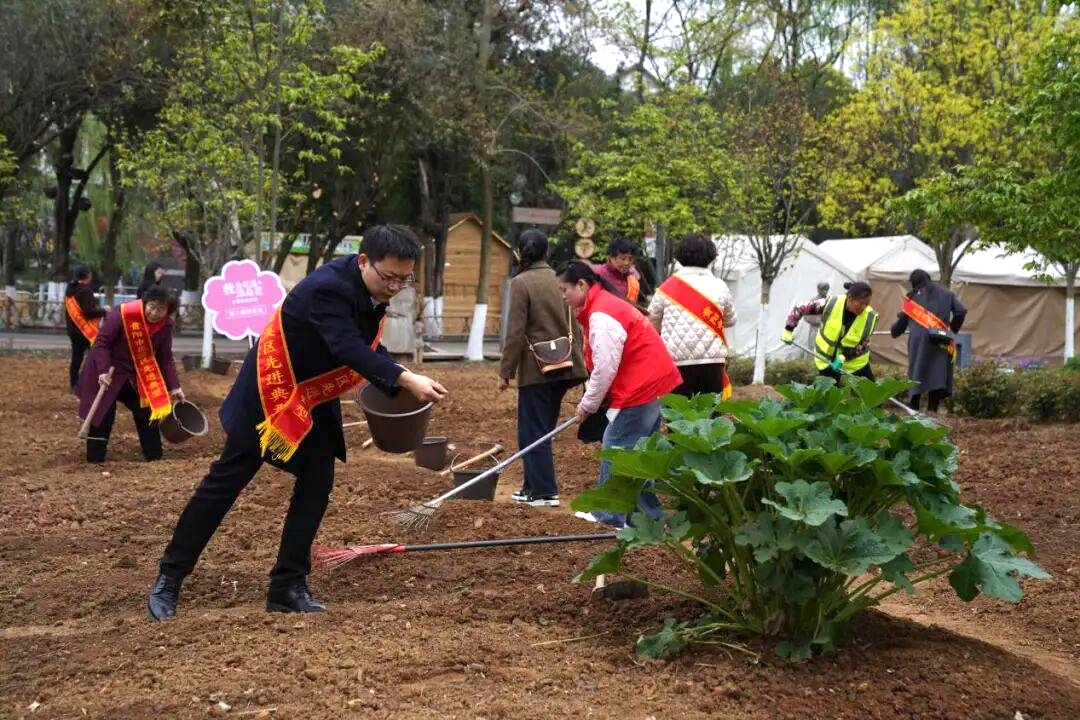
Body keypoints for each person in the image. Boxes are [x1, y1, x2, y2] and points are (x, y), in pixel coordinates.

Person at [146, 225, 448, 621]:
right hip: (269, 392)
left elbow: (365, 345)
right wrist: (404, 377)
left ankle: (287, 585)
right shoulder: (329, 288)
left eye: (402, 279)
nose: (394, 287)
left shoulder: (368, 289)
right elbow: (346, 346)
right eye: (389, 277)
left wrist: (397, 378)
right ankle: (170, 577)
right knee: (225, 483)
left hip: (310, 395)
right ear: (363, 262)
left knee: (317, 482)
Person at [559, 261, 683, 529]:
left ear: (581, 285)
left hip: (642, 386)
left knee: (616, 447)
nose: (563, 296)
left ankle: (609, 515)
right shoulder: (605, 305)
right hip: (653, 381)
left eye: (565, 289)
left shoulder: (602, 314)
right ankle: (647, 518)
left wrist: (588, 404)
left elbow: (604, 368)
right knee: (638, 453)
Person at [498, 230, 588, 507]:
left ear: (519, 253)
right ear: (546, 252)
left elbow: (515, 332)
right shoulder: (560, 279)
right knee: (541, 428)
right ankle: (532, 487)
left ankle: (543, 491)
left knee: (533, 432)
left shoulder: (521, 282)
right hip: (567, 365)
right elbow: (577, 322)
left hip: (538, 369)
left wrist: (506, 372)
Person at [77, 285, 182, 463]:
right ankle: (95, 459)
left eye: (161, 309)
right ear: (145, 303)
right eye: (152, 306)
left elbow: (165, 358)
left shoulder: (165, 326)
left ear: (168, 311)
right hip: (106, 370)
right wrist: (103, 371)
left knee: (146, 409)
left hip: (134, 375)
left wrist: (175, 387)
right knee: (104, 412)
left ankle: (153, 455)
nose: (154, 313)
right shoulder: (123, 314)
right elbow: (102, 344)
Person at [647, 233, 737, 398]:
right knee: (710, 411)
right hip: (712, 362)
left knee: (678, 412)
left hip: (675, 362)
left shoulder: (667, 287)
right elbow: (730, 320)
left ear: (680, 256)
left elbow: (651, 323)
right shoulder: (720, 286)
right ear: (710, 256)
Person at [890, 269, 967, 412]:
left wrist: (894, 330)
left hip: (918, 341)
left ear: (913, 283)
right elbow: (961, 311)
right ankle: (932, 410)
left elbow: (898, 328)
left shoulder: (912, 297)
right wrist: (951, 331)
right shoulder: (947, 294)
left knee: (916, 371)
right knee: (937, 372)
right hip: (940, 338)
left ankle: (914, 407)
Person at [781, 281, 878, 382]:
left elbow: (863, 344)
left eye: (867, 304)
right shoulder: (830, 304)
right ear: (850, 298)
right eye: (861, 303)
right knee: (828, 390)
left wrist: (844, 356)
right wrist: (788, 329)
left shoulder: (870, 317)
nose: (864, 307)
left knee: (869, 389)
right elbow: (800, 309)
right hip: (826, 360)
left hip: (855, 364)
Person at [64, 265, 108, 394]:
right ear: (88, 275)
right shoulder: (85, 291)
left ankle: (74, 383)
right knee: (95, 357)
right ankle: (89, 382)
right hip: (84, 331)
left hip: (73, 330)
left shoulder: (69, 290)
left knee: (76, 358)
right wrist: (104, 311)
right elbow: (88, 312)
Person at [592, 234, 642, 304]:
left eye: (630, 259)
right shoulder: (597, 273)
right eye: (622, 259)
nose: (626, 263)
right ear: (611, 257)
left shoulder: (632, 278)